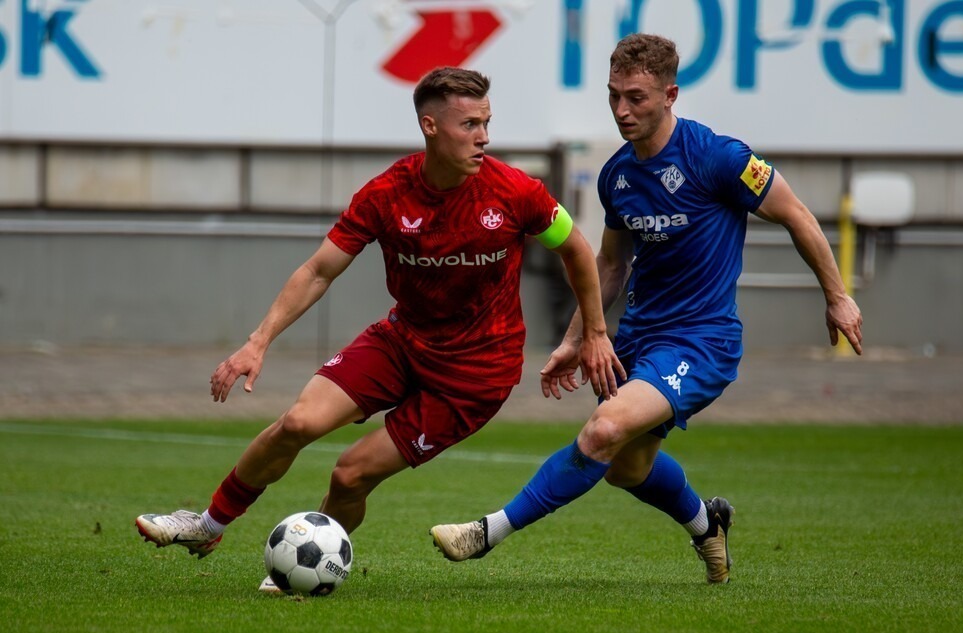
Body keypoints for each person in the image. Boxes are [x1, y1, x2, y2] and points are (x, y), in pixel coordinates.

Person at [135, 67, 623, 591]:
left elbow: (576, 249)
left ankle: (311, 568)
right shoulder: (388, 193)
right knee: (297, 424)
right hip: (402, 340)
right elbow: (319, 270)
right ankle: (206, 526)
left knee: (350, 474)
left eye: (487, 123)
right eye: (469, 125)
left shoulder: (515, 191)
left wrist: (592, 332)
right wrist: (258, 341)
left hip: (474, 374)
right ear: (430, 126)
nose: (483, 137)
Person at [429, 33, 864, 584]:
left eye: (635, 97)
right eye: (613, 96)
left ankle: (485, 533)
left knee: (602, 431)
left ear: (670, 94)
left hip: (702, 341)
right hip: (639, 338)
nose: (621, 110)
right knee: (627, 468)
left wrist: (837, 294)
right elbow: (610, 266)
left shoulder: (720, 157)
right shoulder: (617, 176)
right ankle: (709, 524)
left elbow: (798, 214)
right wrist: (576, 337)